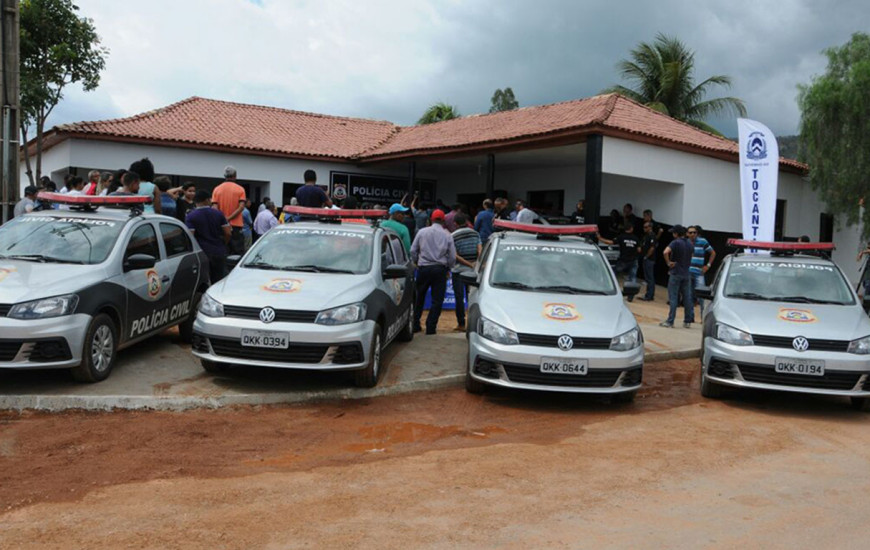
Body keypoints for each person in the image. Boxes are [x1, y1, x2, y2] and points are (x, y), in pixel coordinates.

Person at [410, 210, 456, 335]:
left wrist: (416, 263)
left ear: (431, 219)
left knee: (419, 297)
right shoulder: (447, 235)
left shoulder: (422, 232)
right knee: (437, 300)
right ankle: (431, 327)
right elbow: (452, 256)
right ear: (443, 221)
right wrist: (448, 268)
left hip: (424, 268)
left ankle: (415, 324)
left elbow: (413, 250)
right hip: (439, 269)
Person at [186, 189, 231, 283]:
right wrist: (223, 243)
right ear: (207, 200)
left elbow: (190, 236)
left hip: (202, 253)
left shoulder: (191, 216)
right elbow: (228, 233)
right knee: (218, 281)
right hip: (218, 251)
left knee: (203, 281)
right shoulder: (218, 214)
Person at [451, 213, 481, 330]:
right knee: (472, 297)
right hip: (473, 272)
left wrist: (467, 263)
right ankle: (472, 324)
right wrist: (475, 264)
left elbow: (455, 255)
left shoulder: (453, 236)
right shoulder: (475, 233)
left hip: (458, 271)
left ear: (455, 223)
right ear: (467, 221)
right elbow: (480, 250)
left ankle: (461, 324)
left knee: (459, 298)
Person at [660, 225, 694, 328]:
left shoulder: (675, 243)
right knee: (687, 297)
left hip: (675, 273)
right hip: (686, 273)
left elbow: (665, 252)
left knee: (673, 297)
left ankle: (670, 321)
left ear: (676, 233)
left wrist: (668, 262)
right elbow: (692, 256)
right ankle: (687, 320)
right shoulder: (690, 244)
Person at [598, 221, 640, 301]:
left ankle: (609, 289)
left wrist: (600, 238)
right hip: (633, 260)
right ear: (631, 229)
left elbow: (610, 242)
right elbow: (639, 249)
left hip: (623, 260)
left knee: (612, 275)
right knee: (633, 278)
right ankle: (631, 296)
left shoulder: (621, 237)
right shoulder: (636, 238)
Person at [212, 166, 247, 255]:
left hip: (221, 225)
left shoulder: (217, 189)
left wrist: (223, 219)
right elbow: (241, 207)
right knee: (237, 253)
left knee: (222, 250)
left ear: (224, 176)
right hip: (236, 226)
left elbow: (214, 208)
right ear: (235, 176)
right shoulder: (240, 189)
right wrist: (229, 218)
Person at [688, 225, 716, 317]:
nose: (692, 234)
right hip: (688, 272)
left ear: (697, 233)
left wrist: (707, 266)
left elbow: (712, 253)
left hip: (699, 272)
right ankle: (690, 317)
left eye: (694, 232)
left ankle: (702, 317)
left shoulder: (703, 241)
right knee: (689, 295)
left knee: (701, 296)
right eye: (690, 233)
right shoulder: (686, 242)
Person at [638, 221, 658, 301]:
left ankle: (649, 295)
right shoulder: (646, 236)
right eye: (644, 227)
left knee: (650, 278)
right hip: (645, 258)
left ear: (650, 227)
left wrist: (646, 256)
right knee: (647, 277)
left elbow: (652, 248)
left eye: (646, 227)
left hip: (649, 259)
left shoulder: (652, 236)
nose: (644, 229)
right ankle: (648, 294)